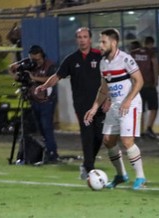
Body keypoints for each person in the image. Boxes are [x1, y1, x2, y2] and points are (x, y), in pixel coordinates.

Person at [35, 27, 107, 179]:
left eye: (85, 37)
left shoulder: (100, 56)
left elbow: (109, 79)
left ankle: (87, 163)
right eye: (79, 37)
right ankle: (89, 169)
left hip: (100, 104)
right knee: (87, 136)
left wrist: (109, 99)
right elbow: (57, 76)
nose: (82, 39)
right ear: (76, 40)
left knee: (100, 136)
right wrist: (44, 86)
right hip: (82, 105)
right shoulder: (71, 59)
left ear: (90, 39)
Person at [84, 28, 146, 190]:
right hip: (115, 105)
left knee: (127, 141)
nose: (100, 45)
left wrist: (127, 100)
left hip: (130, 104)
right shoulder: (103, 63)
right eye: (100, 42)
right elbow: (104, 88)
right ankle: (121, 175)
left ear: (113, 43)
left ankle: (141, 177)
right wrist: (94, 107)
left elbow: (139, 81)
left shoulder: (126, 59)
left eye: (103, 42)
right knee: (108, 140)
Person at [9, 45, 59, 164]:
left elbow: (52, 78)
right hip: (33, 100)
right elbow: (12, 69)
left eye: (37, 59)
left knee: (47, 128)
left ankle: (52, 154)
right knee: (40, 129)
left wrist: (33, 77)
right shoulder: (28, 63)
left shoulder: (49, 65)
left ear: (42, 55)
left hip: (47, 101)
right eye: (32, 59)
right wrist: (16, 70)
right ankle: (44, 152)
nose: (35, 62)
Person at [130, 39, 159, 139]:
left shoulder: (133, 54)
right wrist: (156, 80)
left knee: (140, 109)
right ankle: (149, 129)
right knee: (154, 108)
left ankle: (139, 131)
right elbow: (155, 65)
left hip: (138, 86)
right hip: (149, 85)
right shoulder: (151, 53)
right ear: (150, 43)